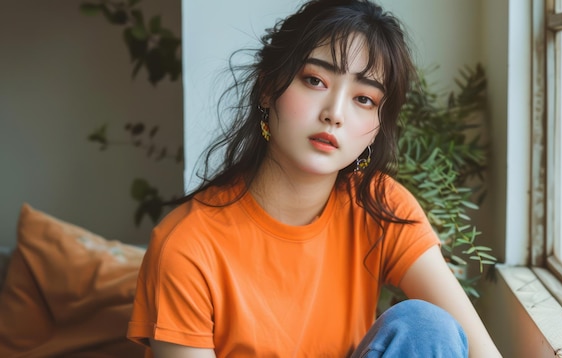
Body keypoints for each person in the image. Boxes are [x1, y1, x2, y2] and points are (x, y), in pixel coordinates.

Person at [127, 0, 502, 357]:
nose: (335, 114)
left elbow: (480, 350)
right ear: (268, 88)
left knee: (426, 326)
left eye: (364, 99)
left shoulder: (377, 206)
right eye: (315, 80)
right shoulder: (186, 247)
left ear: (376, 130)